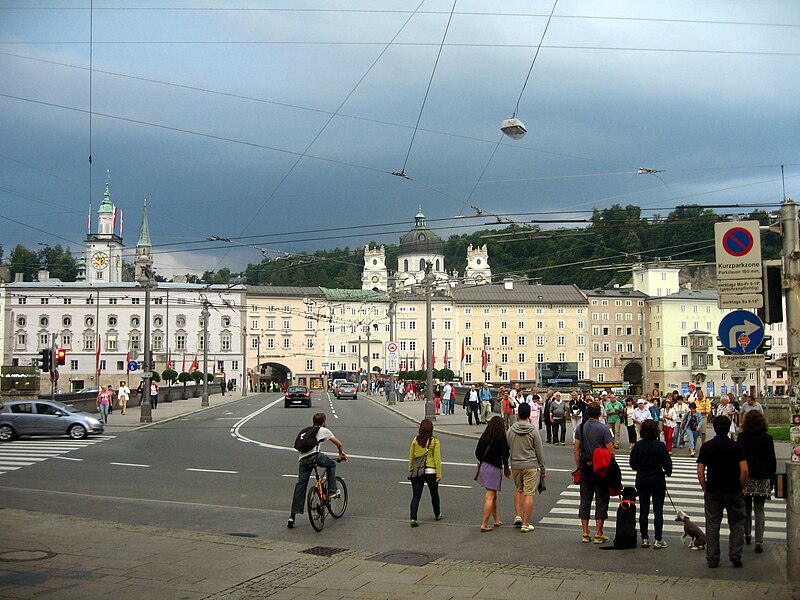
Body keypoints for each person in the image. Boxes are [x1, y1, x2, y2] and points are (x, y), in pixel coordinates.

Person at [697, 415, 748, 568]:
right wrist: (742, 485)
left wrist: (704, 486)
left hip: (713, 489)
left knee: (712, 524)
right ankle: (735, 555)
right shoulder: (736, 446)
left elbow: (700, 470)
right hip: (733, 488)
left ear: (715, 428)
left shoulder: (707, 446)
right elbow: (744, 469)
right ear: (728, 428)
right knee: (737, 523)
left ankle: (712, 558)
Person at [288, 412, 347, 529]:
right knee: (331, 465)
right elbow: (339, 444)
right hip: (315, 456)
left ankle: (292, 517)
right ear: (323, 422)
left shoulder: (306, 431)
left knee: (301, 485)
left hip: (303, 459)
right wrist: (341, 454)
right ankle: (332, 490)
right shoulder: (323, 430)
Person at [574, 403, 614, 544]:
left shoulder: (581, 427)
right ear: (599, 414)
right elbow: (610, 451)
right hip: (601, 469)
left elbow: (576, 448)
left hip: (586, 468)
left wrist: (579, 466)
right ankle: (598, 533)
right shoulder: (604, 429)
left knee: (585, 500)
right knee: (601, 500)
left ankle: (585, 532)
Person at [737, 411, 776, 554]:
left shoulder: (742, 438)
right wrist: (771, 480)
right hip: (762, 475)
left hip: (746, 475)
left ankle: (747, 534)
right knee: (760, 508)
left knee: (746, 506)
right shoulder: (767, 438)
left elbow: (738, 459)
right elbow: (772, 461)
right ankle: (759, 540)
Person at [630, 419, 673, 549]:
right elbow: (668, 466)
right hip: (657, 480)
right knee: (658, 511)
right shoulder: (660, 446)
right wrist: (666, 472)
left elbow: (632, 464)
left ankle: (644, 538)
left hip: (642, 479)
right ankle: (658, 539)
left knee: (643, 510)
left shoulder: (638, 446)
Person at [507, 402, 546, 533]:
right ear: (529, 414)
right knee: (529, 493)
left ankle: (518, 515)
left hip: (516, 464)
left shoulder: (511, 430)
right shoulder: (533, 430)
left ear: (518, 414)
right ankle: (525, 523)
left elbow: (507, 447)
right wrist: (543, 467)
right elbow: (539, 450)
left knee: (518, 489)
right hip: (530, 464)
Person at [476, 416, 511, 531]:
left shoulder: (485, 436)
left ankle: (496, 519)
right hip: (494, 468)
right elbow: (505, 454)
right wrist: (506, 467)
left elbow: (477, 452)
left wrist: (484, 460)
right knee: (490, 496)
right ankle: (484, 524)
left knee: (493, 495)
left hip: (484, 466)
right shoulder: (501, 438)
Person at [408, 419, 442, 527]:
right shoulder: (434, 441)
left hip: (418, 472)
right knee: (434, 494)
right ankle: (437, 514)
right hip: (431, 471)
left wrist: (411, 470)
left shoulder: (415, 440)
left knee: (416, 496)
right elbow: (437, 458)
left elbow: (411, 457)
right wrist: (439, 474)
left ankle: (413, 518)